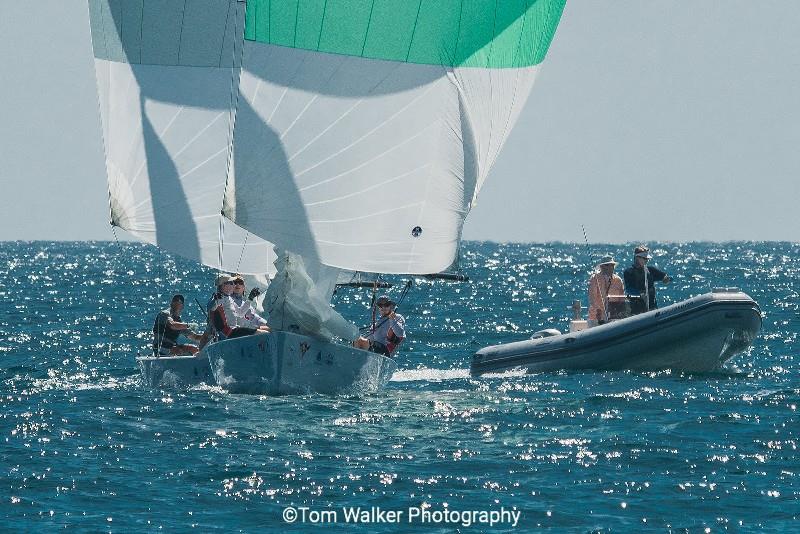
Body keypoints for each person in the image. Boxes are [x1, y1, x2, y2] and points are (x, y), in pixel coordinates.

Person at [623, 245, 672, 315]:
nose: (646, 261)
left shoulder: (651, 270)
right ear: (637, 258)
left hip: (652, 306)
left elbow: (665, 276)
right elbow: (629, 289)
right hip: (637, 308)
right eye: (644, 258)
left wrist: (667, 279)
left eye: (647, 259)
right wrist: (640, 294)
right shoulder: (628, 272)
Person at [587, 255, 625, 326]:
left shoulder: (618, 280)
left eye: (612, 265)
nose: (611, 267)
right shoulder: (594, 279)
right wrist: (599, 312)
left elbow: (622, 299)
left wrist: (621, 313)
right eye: (608, 265)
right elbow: (592, 298)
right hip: (595, 318)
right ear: (602, 267)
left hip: (613, 318)